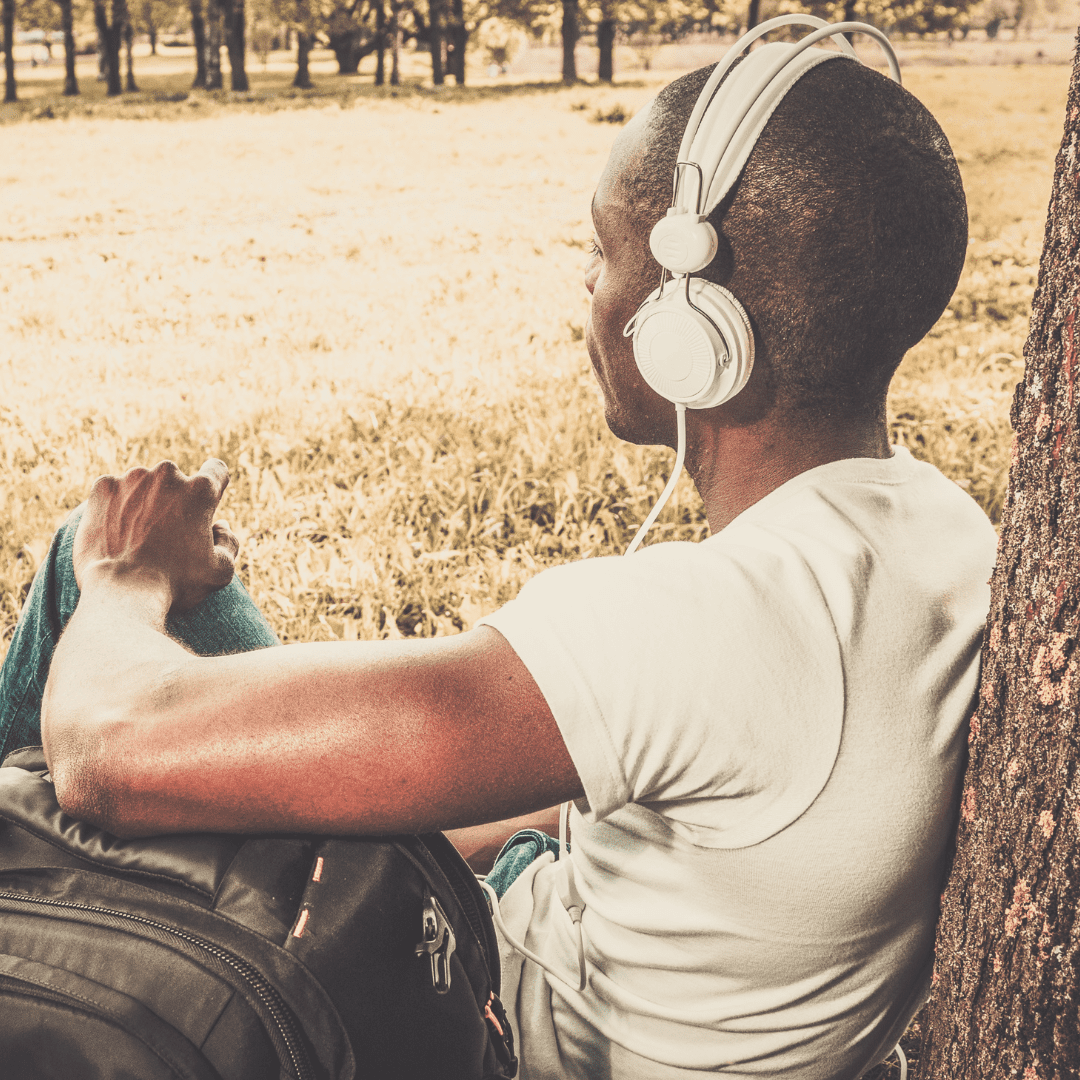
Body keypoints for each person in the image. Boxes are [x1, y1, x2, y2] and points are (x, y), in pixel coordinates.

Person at [0, 38, 997, 1080]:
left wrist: (124, 572)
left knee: (90, 562)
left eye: (603, 253)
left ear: (696, 328)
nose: (588, 286)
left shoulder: (696, 624)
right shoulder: (943, 532)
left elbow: (104, 753)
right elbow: (719, 798)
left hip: (475, 1023)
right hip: (552, 906)